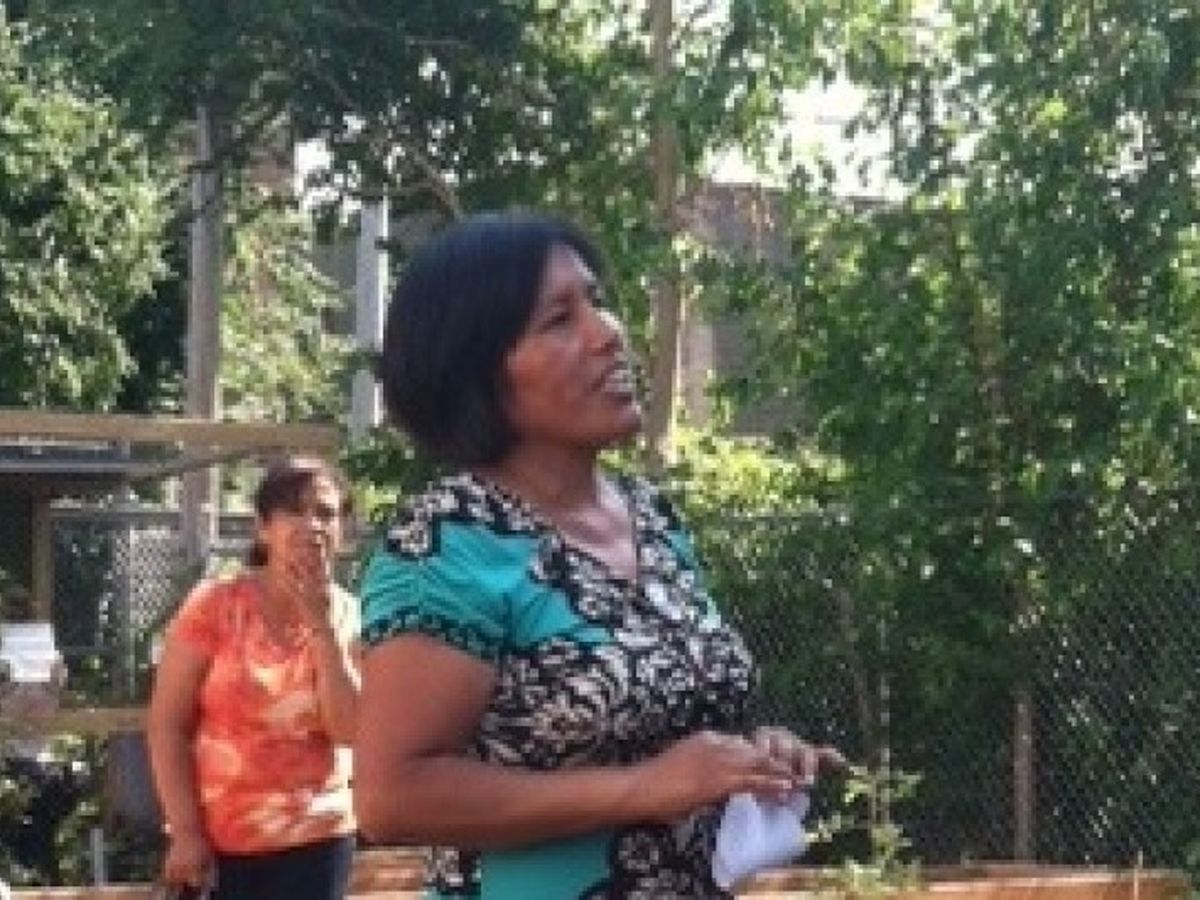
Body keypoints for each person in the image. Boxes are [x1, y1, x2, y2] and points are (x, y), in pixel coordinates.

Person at [354, 211, 843, 899]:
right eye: (560, 320)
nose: (608, 333)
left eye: (597, 302)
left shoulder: (652, 517)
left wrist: (749, 756)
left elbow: (664, 734)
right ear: (475, 370)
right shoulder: (449, 543)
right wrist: (644, 787)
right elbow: (392, 796)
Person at [147, 457, 361, 900]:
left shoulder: (350, 616)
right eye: (294, 511)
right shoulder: (216, 605)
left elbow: (349, 729)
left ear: (342, 532)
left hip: (318, 842)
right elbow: (168, 725)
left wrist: (321, 627)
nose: (312, 526)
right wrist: (185, 832)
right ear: (263, 528)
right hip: (221, 846)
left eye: (325, 513)